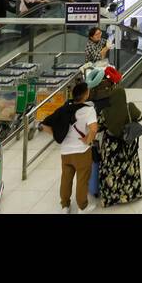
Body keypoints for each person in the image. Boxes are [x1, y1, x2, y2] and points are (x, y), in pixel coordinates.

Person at [42, 80, 98, 213]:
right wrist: (88, 140)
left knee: (66, 178)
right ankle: (82, 206)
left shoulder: (63, 109)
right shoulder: (88, 110)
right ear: (85, 95)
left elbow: (44, 125)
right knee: (82, 179)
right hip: (82, 151)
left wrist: (57, 136)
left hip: (65, 152)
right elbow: (94, 129)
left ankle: (65, 206)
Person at [96, 67, 142, 206]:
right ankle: (131, 193)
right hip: (128, 143)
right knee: (130, 167)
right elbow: (140, 116)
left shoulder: (105, 112)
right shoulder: (130, 107)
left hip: (111, 146)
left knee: (111, 170)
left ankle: (110, 197)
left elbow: (99, 126)